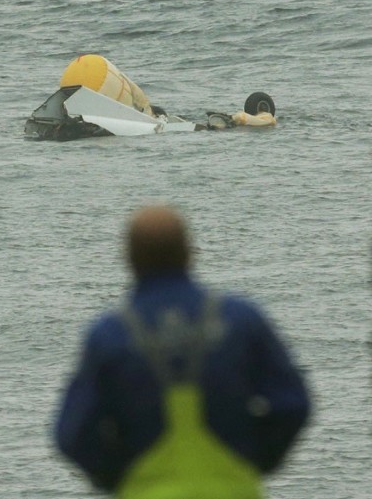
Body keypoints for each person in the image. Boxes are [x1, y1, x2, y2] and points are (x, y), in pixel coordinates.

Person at [54, 205, 310, 499]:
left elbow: (72, 434)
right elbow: (292, 405)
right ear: (189, 252)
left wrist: (118, 476)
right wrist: (255, 458)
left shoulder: (110, 336)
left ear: (129, 260)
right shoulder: (241, 320)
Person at [206, 92, 278, 129]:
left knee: (236, 120)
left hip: (241, 120)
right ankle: (226, 121)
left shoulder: (269, 119)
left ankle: (226, 121)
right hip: (242, 121)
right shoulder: (270, 118)